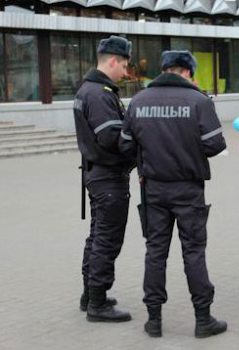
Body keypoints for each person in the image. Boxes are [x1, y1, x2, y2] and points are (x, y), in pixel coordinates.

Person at [119, 50, 227, 338]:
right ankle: (203, 320)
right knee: (193, 252)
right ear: (188, 72)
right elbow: (215, 145)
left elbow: (125, 146)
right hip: (189, 190)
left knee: (155, 253)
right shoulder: (199, 101)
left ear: (164, 69)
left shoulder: (139, 100)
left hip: (153, 189)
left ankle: (154, 320)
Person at [73, 35, 135, 322]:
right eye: (124, 65)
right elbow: (111, 137)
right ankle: (98, 303)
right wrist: (137, 137)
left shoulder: (91, 89)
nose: (126, 72)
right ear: (112, 61)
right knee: (107, 240)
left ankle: (90, 295)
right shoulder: (99, 93)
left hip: (97, 175)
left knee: (97, 237)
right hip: (108, 177)